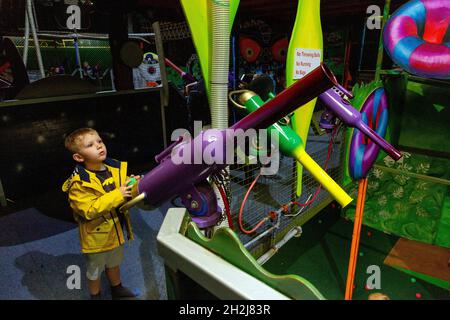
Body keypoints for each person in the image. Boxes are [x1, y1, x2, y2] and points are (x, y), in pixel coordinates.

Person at [62, 127, 140, 300]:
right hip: (96, 239)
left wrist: (133, 185)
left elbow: (123, 194)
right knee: (95, 270)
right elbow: (89, 210)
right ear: (79, 157)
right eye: (90, 145)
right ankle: (95, 296)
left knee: (114, 263)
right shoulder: (79, 184)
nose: (98, 146)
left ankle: (117, 288)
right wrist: (118, 194)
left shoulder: (114, 167)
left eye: (99, 141)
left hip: (116, 231)